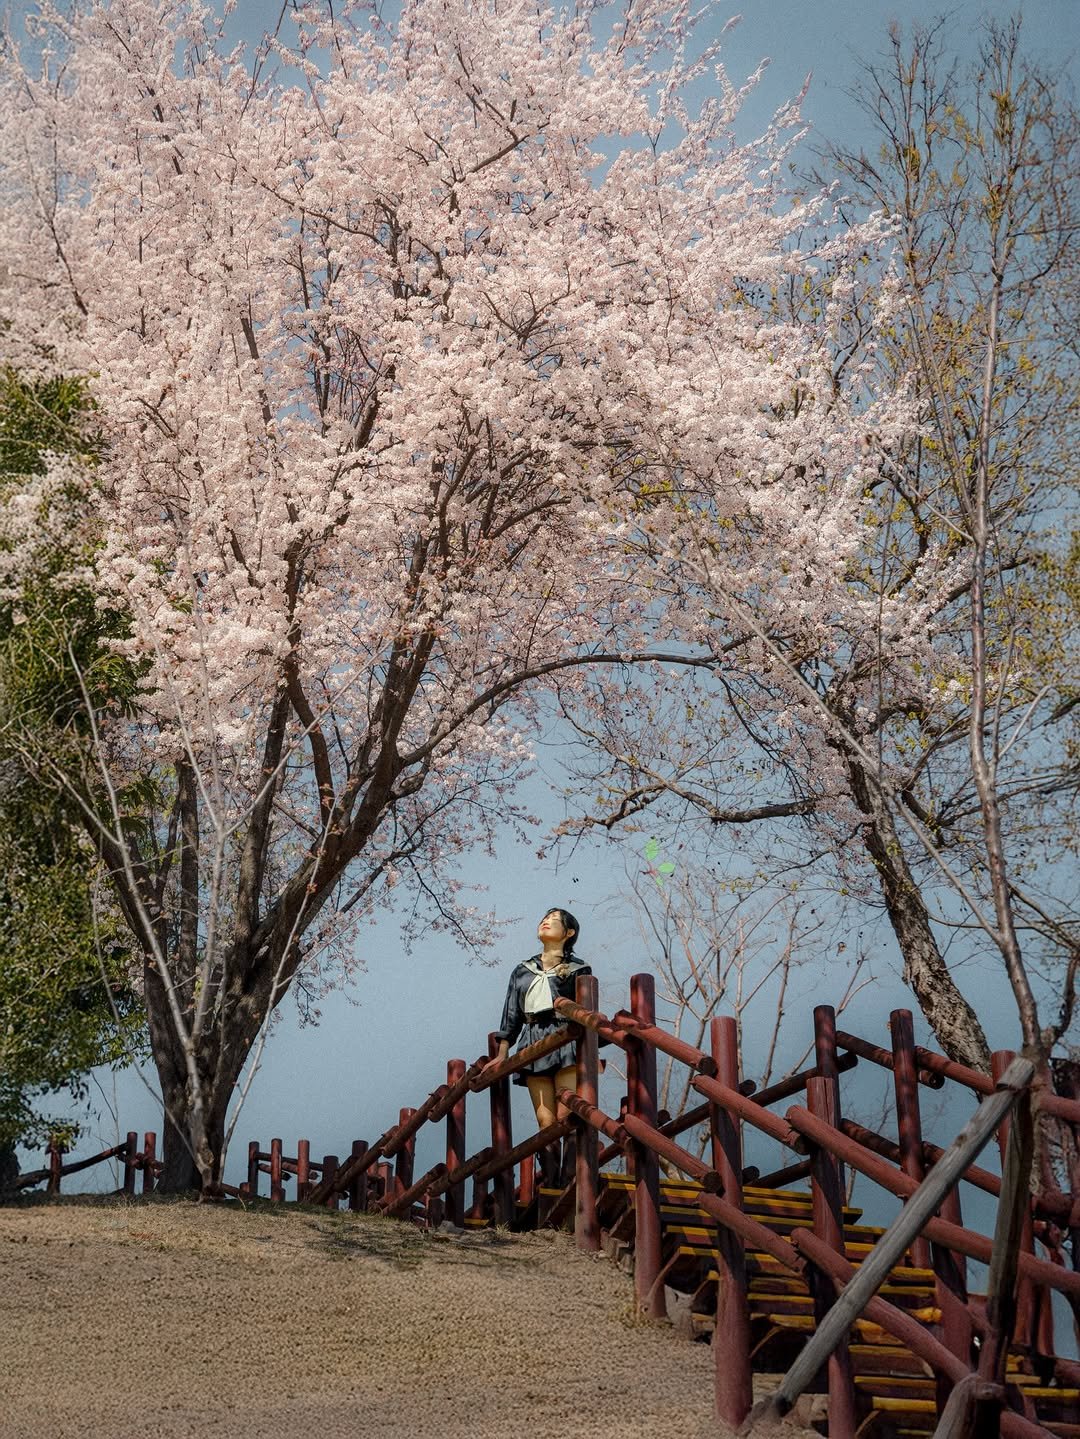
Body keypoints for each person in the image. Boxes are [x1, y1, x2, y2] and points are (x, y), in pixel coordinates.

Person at [493, 907, 590, 1191]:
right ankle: (551, 1185)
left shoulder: (579, 969)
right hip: (532, 1041)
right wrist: (502, 1052)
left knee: (566, 1114)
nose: (545, 922)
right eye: (543, 919)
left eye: (554, 920)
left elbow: (585, 1010)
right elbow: (511, 1014)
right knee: (545, 1120)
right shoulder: (522, 971)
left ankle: (571, 1182)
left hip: (565, 1038)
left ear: (569, 933)